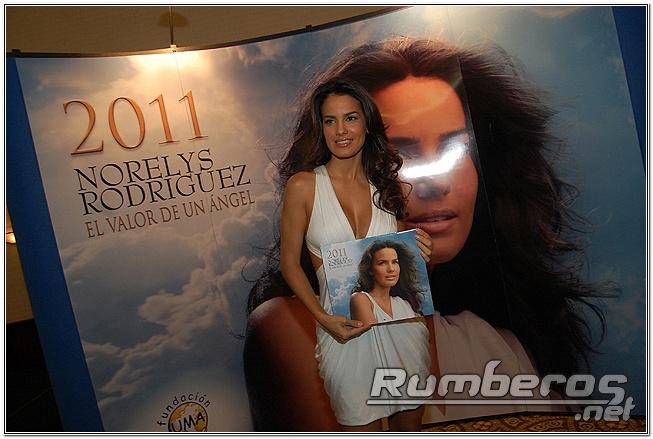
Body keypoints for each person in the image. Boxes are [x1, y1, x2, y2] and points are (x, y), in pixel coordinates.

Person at [245, 38, 610, 429]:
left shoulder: (497, 343)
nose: (437, 182)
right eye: (400, 155)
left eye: (455, 148)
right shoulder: (292, 328)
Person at [266, 76, 432, 431]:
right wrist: (322, 317)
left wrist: (420, 249)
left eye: (350, 118)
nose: (341, 130)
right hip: (342, 332)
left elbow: (400, 260)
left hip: (402, 328)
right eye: (330, 121)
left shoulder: (386, 184)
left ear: (367, 123)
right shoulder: (304, 186)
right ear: (321, 128)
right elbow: (290, 265)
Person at [350, 240, 424, 325]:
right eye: (382, 263)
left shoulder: (404, 304)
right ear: (370, 269)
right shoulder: (360, 299)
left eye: (395, 262)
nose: (391, 269)